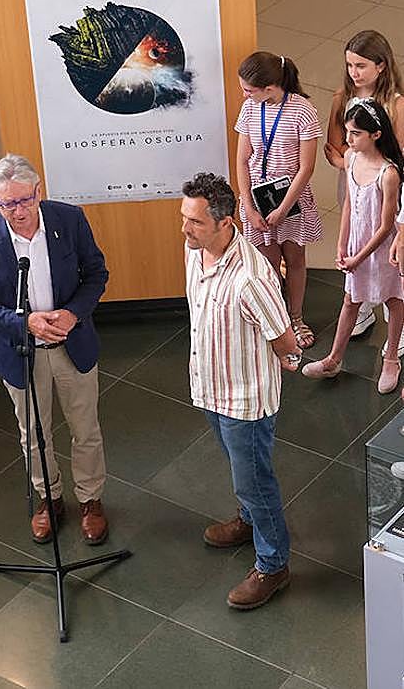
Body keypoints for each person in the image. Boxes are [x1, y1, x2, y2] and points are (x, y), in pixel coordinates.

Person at [0, 154, 110, 545]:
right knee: (33, 434)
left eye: (25, 201)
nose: (17, 211)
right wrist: (24, 323)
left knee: (85, 428)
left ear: (38, 192)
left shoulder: (69, 220)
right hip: (21, 351)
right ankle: (50, 498)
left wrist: (74, 313)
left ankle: (90, 499)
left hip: (71, 345)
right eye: (6, 204)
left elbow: (97, 273)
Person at [181, 172, 300, 610]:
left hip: (245, 400)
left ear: (226, 223)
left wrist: (290, 360)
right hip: (211, 387)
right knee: (241, 471)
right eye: (185, 218)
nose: (185, 229)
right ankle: (249, 521)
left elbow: (283, 337)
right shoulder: (195, 253)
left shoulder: (251, 277)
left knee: (256, 480)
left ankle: (273, 564)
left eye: (195, 222)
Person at [303, 100, 404, 393]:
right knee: (350, 300)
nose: (348, 139)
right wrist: (342, 244)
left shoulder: (389, 174)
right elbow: (348, 204)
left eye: (355, 133)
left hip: (383, 251)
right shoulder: (351, 159)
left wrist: (359, 256)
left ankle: (390, 359)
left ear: (375, 134)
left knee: (394, 301)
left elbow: (386, 226)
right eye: (347, 131)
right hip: (357, 245)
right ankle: (334, 358)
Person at [236, 51, 323, 351]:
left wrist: (284, 208)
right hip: (258, 199)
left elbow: (306, 168)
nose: (244, 94)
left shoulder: (302, 111)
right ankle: (276, 320)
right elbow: (242, 161)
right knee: (267, 263)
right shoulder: (249, 108)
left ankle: (296, 318)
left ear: (271, 88)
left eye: (249, 89)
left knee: (295, 259)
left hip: (291, 199)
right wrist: (248, 206)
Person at [324, 31, 404, 347]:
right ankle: (362, 306)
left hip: (386, 186)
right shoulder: (341, 98)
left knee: (388, 252)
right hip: (353, 183)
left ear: (381, 66)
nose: (353, 73)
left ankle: (395, 320)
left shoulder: (396, 104)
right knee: (357, 233)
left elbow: (399, 152)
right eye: (349, 65)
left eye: (360, 66)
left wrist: (367, 163)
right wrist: (351, 164)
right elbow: (333, 146)